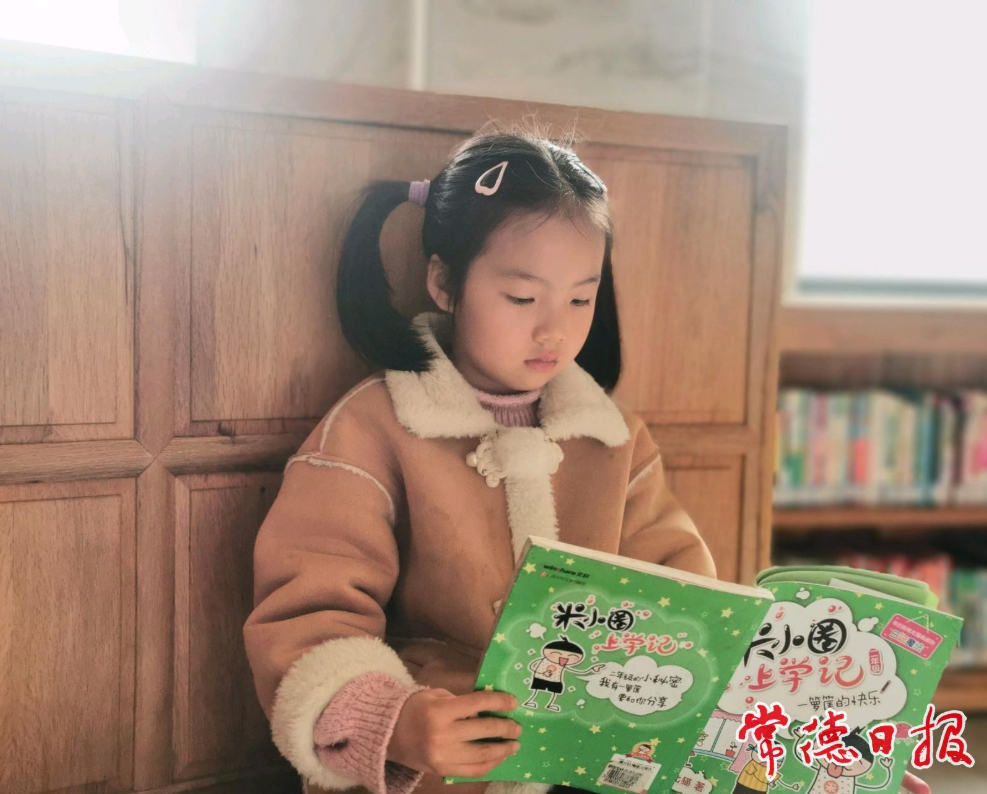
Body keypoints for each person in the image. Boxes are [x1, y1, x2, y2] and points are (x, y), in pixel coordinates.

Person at [242, 128, 929, 794]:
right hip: (444, 771)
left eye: (580, 297)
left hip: (605, 762)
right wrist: (393, 722)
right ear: (444, 282)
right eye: (522, 297)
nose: (555, 328)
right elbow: (310, 622)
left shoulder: (615, 439)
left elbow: (694, 624)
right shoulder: (370, 429)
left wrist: (818, 746)